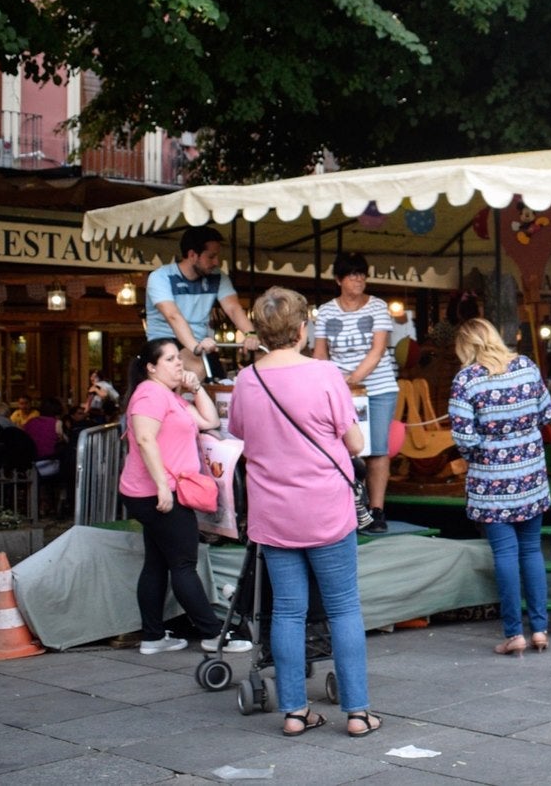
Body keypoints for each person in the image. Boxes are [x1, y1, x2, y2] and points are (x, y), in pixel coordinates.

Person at [227, 287, 380, 737]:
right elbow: (355, 444)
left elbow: (240, 434)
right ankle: (356, 712)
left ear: (260, 331)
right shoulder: (326, 374)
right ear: (301, 329)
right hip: (326, 508)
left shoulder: (246, 381)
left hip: (273, 512)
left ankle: (294, 711)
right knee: (343, 609)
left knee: (287, 613)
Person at [119, 336, 241, 655]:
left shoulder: (168, 396)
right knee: (183, 563)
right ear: (151, 367)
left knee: (158, 563)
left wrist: (197, 388)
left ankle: (153, 636)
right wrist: (162, 486)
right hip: (160, 493)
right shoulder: (150, 394)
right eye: (170, 359)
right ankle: (214, 633)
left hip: (162, 491)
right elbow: (145, 440)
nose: (178, 364)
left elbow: (211, 421)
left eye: (178, 358)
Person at [449, 318, 551, 655]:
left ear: (465, 346)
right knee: (532, 551)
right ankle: (540, 629)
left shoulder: (466, 380)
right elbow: (546, 414)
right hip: (532, 477)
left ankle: (514, 634)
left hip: (491, 481)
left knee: (506, 555)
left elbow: (464, 438)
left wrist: (486, 448)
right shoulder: (526, 367)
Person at [313, 251, 401, 533]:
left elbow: (377, 352)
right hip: (340, 389)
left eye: (362, 274)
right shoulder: (326, 311)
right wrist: (322, 382)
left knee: (377, 448)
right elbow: (320, 353)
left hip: (378, 387)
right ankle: (350, 508)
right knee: (343, 449)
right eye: (352, 274)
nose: (359, 279)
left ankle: (377, 510)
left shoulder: (377, 307)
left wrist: (350, 380)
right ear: (339, 279)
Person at [145, 224, 261, 376]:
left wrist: (250, 334)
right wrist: (195, 347)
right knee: (197, 368)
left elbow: (233, 308)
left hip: (201, 342)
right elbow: (173, 316)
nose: (216, 262)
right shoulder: (161, 277)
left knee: (220, 380)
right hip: (165, 341)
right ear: (192, 255)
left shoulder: (218, 276)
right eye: (211, 257)